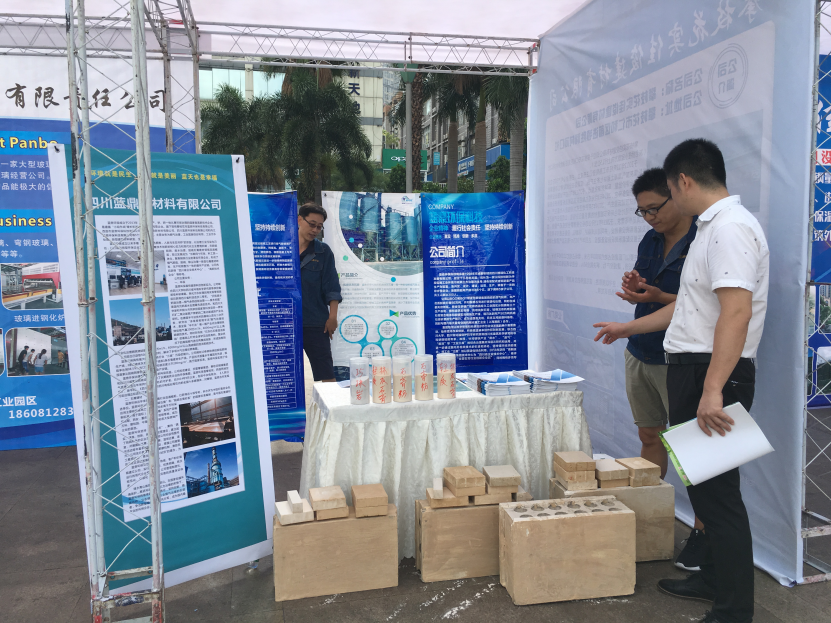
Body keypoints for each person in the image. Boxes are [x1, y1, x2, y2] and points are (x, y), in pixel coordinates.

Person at [593, 139, 768, 623]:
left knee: (720, 498)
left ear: (684, 182)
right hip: (694, 368)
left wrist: (713, 389)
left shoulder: (730, 228)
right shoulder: (712, 229)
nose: (665, 204)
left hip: (711, 373)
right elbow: (688, 309)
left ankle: (734, 610)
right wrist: (627, 328)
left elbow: (736, 312)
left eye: (668, 192)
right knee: (705, 487)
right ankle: (712, 579)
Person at [618, 168, 705, 572]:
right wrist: (637, 287)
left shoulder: (704, 239)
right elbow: (649, 293)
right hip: (642, 351)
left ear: (676, 194)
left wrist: (657, 295)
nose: (650, 217)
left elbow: (701, 302)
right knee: (649, 434)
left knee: (694, 448)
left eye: (654, 208)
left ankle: (704, 532)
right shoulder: (650, 239)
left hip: (682, 357)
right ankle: (651, 515)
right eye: (642, 212)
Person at [298, 202, 342, 382]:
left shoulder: (323, 252)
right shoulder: (282, 249)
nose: (315, 230)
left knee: (326, 374)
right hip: (284, 322)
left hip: (315, 322)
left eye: (319, 227)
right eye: (312, 224)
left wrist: (332, 317)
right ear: (299, 220)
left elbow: (332, 286)